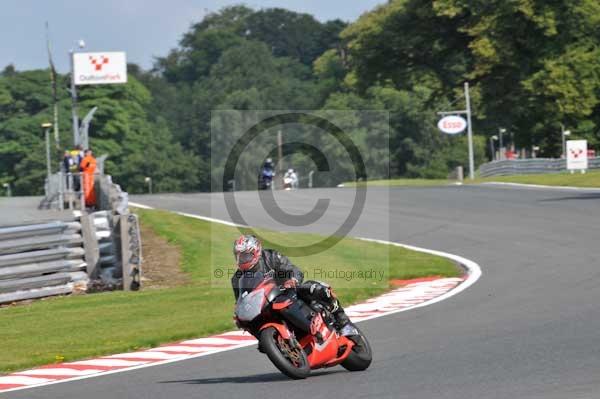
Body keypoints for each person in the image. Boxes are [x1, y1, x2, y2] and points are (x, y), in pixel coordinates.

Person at [231, 235, 355, 338]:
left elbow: (292, 269)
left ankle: (343, 321)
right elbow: (242, 300)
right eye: (239, 256)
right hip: (266, 305)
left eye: (245, 256)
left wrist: (292, 280)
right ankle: (271, 342)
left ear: (256, 252)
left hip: (287, 292)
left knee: (315, 288)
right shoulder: (237, 279)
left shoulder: (271, 257)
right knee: (247, 322)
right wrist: (239, 314)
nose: (241, 260)